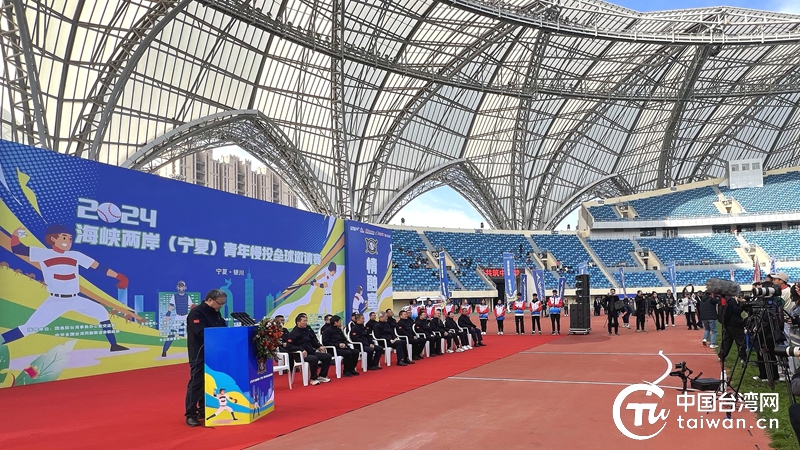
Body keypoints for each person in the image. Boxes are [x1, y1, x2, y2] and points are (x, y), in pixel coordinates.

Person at [3, 225, 130, 351]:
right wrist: (16, 235)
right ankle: (2, 339)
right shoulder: (43, 253)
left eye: (70, 238)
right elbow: (18, 249)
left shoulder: (75, 255)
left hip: (75, 299)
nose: (68, 241)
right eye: (64, 237)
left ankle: (114, 345)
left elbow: (99, 267)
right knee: (30, 328)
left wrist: (119, 276)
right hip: (56, 301)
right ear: (53, 239)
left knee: (101, 311)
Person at [184, 289, 228, 427]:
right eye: (219, 303)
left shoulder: (216, 312)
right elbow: (201, 332)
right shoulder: (196, 313)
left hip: (213, 353)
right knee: (196, 383)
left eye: (223, 304)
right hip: (199, 353)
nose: (221, 306)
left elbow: (223, 328)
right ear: (209, 300)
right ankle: (191, 414)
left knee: (209, 382)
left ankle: (204, 409)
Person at [285, 314, 333, 385]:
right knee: (314, 359)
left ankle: (322, 375)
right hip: (300, 355)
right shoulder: (293, 333)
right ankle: (313, 378)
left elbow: (313, 340)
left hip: (311, 352)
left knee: (327, 356)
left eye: (306, 321)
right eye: (304, 321)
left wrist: (319, 346)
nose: (306, 323)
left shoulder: (307, 330)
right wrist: (301, 350)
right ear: (298, 322)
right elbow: (289, 346)